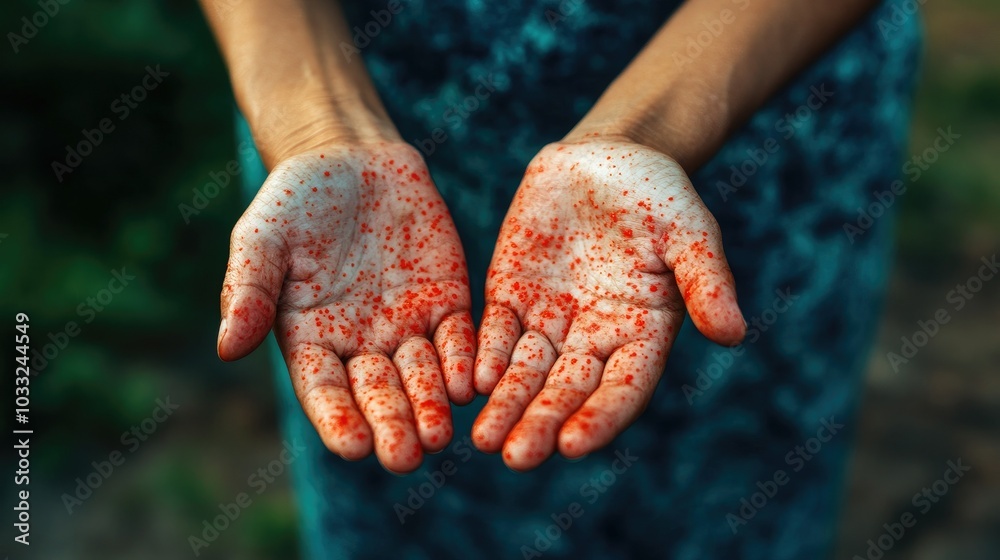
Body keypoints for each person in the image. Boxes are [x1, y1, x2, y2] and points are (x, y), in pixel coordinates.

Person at [199, 0, 920, 557]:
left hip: (749, 109)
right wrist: (318, 128)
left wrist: (643, 134)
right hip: (362, 184)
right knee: (395, 477)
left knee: (727, 506)